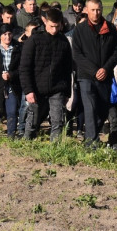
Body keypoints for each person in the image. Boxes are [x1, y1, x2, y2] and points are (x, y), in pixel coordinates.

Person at [72, 0, 117, 147]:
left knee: (102, 110)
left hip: (105, 77)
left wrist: (105, 69)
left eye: (98, 10)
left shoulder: (110, 29)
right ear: (86, 10)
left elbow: (116, 52)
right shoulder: (79, 30)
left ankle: (92, 136)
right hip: (86, 76)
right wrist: (94, 71)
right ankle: (91, 143)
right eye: (93, 10)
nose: (96, 13)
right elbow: (77, 55)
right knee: (90, 108)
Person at [20, 9, 75, 142]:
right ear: (45, 22)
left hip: (57, 89)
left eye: (57, 26)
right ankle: (27, 145)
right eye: (51, 26)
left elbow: (68, 68)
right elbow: (25, 67)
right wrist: (28, 90)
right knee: (33, 121)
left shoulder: (64, 42)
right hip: (37, 88)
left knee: (58, 121)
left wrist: (67, 92)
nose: (54, 30)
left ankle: (55, 149)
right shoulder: (34, 40)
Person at [0, 26, 22, 135]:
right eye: (4, 34)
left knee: (12, 111)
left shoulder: (18, 48)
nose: (7, 37)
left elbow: (22, 68)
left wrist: (11, 74)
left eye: (9, 34)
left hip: (12, 84)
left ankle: (11, 134)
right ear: (0, 35)